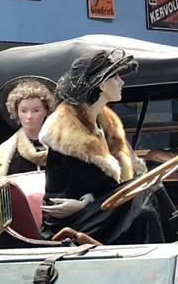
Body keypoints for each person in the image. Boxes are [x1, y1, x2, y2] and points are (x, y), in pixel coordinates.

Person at [39, 49, 164, 244]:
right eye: (115, 77)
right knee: (143, 212)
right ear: (101, 84)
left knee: (148, 198)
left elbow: (119, 185)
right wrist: (84, 204)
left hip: (97, 206)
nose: (121, 82)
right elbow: (102, 185)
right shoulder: (67, 133)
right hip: (67, 218)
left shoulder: (105, 125)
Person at [0, 75, 56, 176]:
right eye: (23, 111)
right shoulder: (4, 152)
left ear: (46, 111)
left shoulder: (60, 146)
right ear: (16, 112)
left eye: (36, 110)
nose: (29, 116)